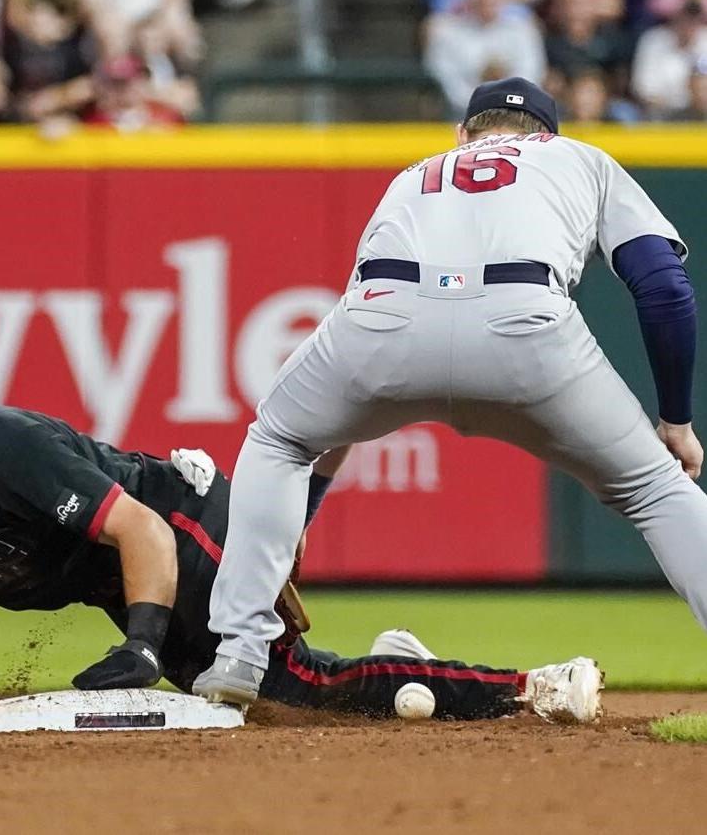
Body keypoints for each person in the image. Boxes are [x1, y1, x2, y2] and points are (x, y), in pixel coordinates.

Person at [192, 75, 706, 708]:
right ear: (547, 134)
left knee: (279, 439)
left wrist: (299, 509)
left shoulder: (417, 174)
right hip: (524, 323)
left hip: (387, 312)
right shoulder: (581, 160)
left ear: (464, 134)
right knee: (655, 488)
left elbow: (350, 380)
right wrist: (676, 419)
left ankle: (240, 654)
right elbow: (664, 289)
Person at [0, 328, 602, 723]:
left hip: (176, 525)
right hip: (128, 575)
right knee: (239, 697)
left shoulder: (0, 443)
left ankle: (533, 685)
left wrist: (140, 646)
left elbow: (141, 529)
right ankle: (392, 647)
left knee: (293, 688)